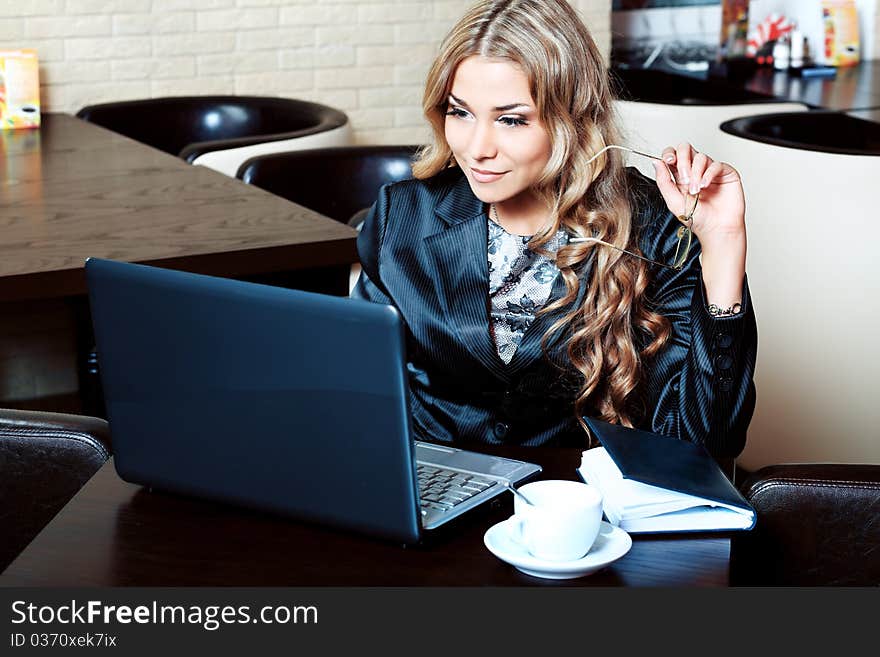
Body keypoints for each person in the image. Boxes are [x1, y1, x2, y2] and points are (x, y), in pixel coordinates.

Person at [352, 0, 756, 458]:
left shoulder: (652, 227)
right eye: (460, 112)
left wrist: (722, 247)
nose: (476, 148)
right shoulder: (401, 215)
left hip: (575, 509)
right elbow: (360, 392)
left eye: (511, 119)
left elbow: (707, 444)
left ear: (571, 119)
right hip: (430, 500)